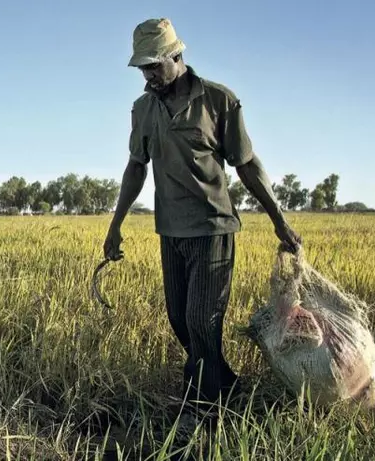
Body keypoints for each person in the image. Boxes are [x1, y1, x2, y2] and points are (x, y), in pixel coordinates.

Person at [103, 17, 302, 427]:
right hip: (170, 232)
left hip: (213, 230)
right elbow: (135, 168)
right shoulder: (143, 109)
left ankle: (202, 408)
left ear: (177, 56)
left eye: (154, 65)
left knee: (201, 320)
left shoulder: (218, 100)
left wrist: (278, 221)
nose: (148, 75)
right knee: (180, 319)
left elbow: (247, 166)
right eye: (142, 67)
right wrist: (115, 224)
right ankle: (224, 384)